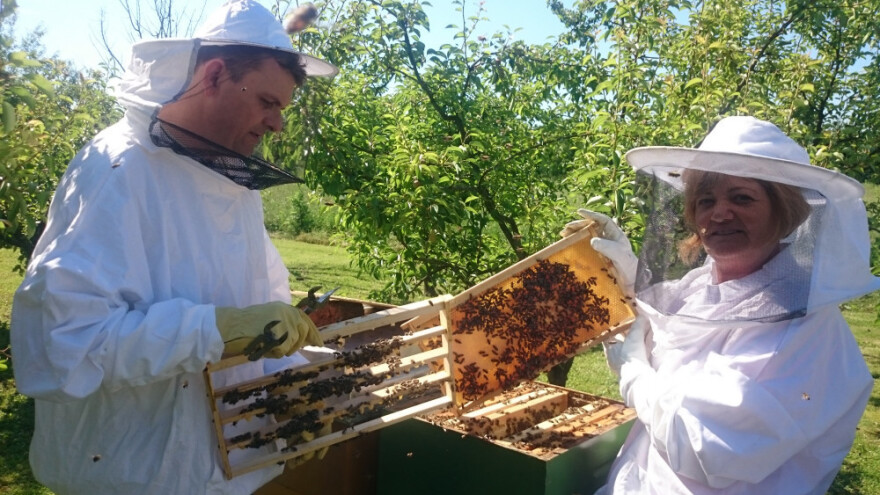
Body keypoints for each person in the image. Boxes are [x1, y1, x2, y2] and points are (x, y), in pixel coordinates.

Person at [10, 1, 338, 494]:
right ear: (214, 75)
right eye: (267, 102)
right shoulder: (119, 169)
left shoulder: (235, 186)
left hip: (224, 475)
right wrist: (212, 330)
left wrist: (294, 386)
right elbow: (62, 344)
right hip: (126, 479)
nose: (277, 124)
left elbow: (263, 316)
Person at [564, 116, 879, 494]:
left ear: (784, 211)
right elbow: (670, 330)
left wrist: (632, 372)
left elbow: (701, 447)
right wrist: (628, 278)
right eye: (705, 200)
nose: (719, 213)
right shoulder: (703, 284)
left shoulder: (804, 334)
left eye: (742, 197)